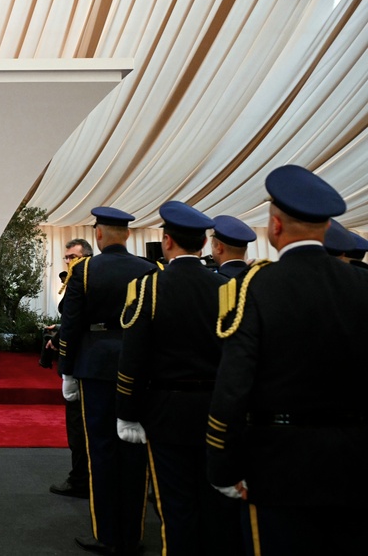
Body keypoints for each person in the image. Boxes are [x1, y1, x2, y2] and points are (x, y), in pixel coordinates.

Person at [207, 165, 368, 555]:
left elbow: (233, 386)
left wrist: (223, 466)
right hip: (356, 460)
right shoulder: (361, 285)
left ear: (275, 226)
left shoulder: (255, 286)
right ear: (327, 227)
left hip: (277, 462)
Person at [116, 202, 240, 555]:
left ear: (167, 241)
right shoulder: (226, 288)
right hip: (215, 409)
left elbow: (134, 356)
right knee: (215, 504)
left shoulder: (148, 288)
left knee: (176, 506)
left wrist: (126, 411)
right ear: (204, 244)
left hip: (166, 411)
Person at [58, 207, 156, 556]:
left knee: (101, 450)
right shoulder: (150, 270)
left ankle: (108, 534)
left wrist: (67, 369)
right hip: (140, 365)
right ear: (127, 234)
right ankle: (133, 533)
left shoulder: (84, 270)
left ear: (98, 234)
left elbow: (71, 324)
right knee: (135, 450)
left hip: (96, 365)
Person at [48, 238, 92, 499]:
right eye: (66, 257)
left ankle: (80, 480)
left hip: (81, 361)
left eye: (73, 257)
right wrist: (59, 330)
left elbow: (79, 319)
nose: (68, 261)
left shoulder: (84, 281)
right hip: (88, 358)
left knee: (78, 425)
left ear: (86, 257)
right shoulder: (77, 280)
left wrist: (66, 369)